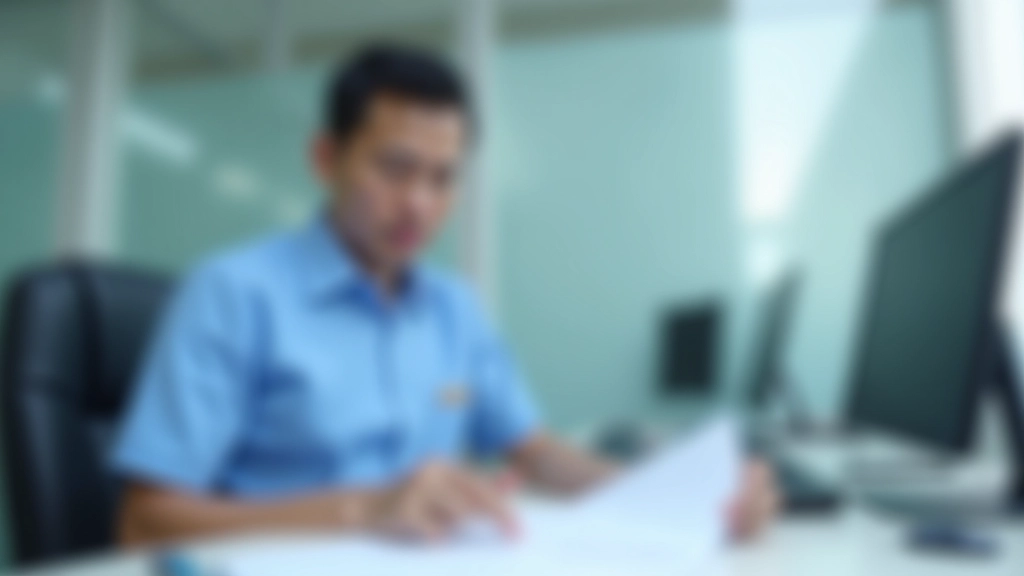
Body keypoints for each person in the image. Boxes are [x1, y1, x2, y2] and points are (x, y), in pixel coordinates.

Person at [112, 45, 777, 547]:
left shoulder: (454, 307)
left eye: (443, 178)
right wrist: (366, 508)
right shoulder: (232, 293)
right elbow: (142, 523)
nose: (419, 205)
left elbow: (536, 453)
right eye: (395, 169)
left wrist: (676, 496)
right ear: (326, 158)